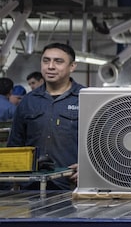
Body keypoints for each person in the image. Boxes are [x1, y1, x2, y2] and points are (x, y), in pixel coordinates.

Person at [7, 43, 84, 189]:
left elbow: (105, 144)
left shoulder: (85, 98)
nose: (50, 66)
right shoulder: (28, 101)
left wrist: (89, 169)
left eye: (58, 61)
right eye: (46, 60)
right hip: (32, 188)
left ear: (72, 66)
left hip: (72, 186)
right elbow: (15, 145)